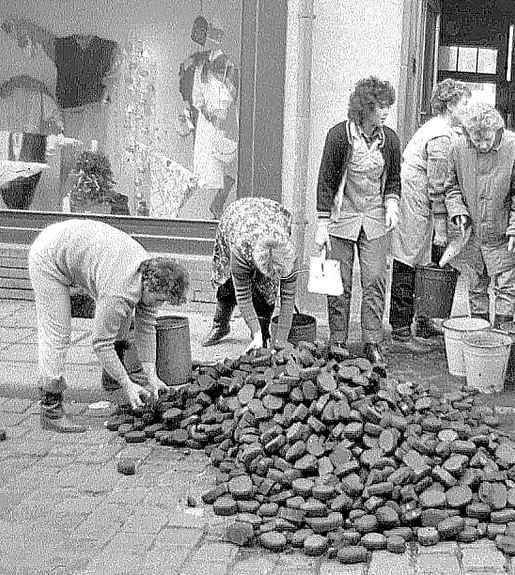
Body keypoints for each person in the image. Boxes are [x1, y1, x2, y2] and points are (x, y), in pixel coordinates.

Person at [28, 219, 190, 433]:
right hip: (49, 256)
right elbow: (101, 343)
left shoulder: (148, 276)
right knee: (58, 333)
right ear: (150, 286)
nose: (159, 305)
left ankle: (111, 377)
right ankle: (51, 408)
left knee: (122, 316)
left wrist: (152, 375)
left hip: (79, 248)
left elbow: (147, 327)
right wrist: (127, 383)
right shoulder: (119, 291)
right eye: (160, 300)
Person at [314, 76, 401, 365]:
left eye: (388, 106)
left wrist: (391, 203)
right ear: (365, 108)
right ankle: (337, 339)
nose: (386, 112)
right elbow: (326, 181)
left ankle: (372, 340)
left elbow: (394, 181)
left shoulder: (390, 140)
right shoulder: (339, 136)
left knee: (375, 277)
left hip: (375, 217)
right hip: (342, 216)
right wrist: (322, 224)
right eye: (381, 106)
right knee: (338, 280)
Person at [388, 79, 471, 351]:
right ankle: (401, 330)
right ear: (449, 105)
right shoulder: (440, 136)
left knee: (426, 259)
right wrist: (440, 225)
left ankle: (423, 320)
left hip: (421, 199)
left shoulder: (448, 131)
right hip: (415, 200)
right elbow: (437, 185)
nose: (468, 108)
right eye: (464, 103)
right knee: (408, 260)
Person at [444, 101, 515, 327]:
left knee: (506, 289)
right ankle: (479, 336)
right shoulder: (457, 148)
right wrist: (458, 211)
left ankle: (503, 335)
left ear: (498, 131)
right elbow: (451, 186)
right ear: (467, 135)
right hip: (473, 233)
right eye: (477, 140)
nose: (483, 145)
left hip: (505, 234)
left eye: (488, 139)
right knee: (475, 288)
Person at [202, 197, 298, 350]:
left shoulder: (289, 256)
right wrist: (256, 331)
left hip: (272, 214)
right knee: (227, 283)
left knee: (267, 292)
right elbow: (243, 295)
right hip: (237, 218)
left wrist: (281, 341)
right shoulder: (241, 248)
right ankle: (221, 325)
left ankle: (263, 335)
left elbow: (288, 299)